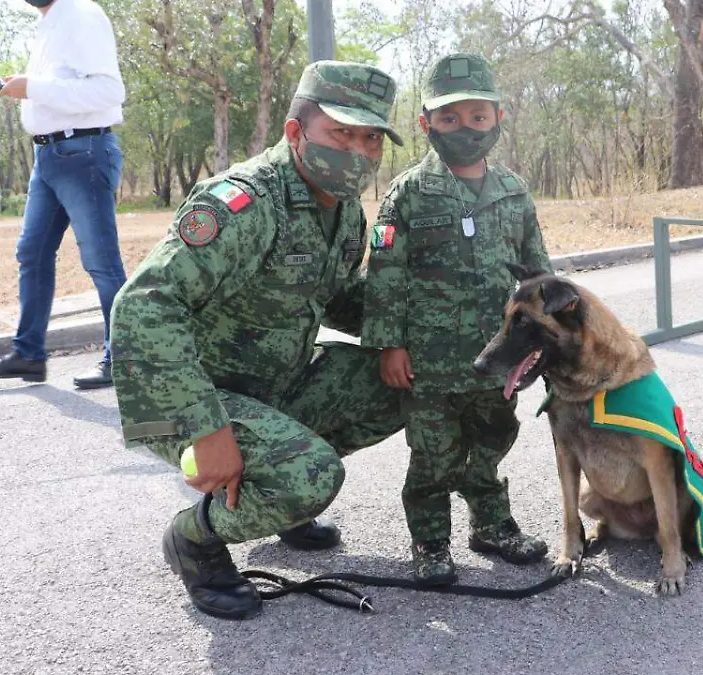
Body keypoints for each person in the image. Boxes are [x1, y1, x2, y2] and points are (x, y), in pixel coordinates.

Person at [109, 61, 406, 621]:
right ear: (296, 133)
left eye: (371, 139)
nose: (360, 152)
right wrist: (207, 427)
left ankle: (277, 495)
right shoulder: (245, 203)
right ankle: (193, 538)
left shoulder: (342, 209)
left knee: (393, 381)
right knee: (312, 475)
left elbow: (337, 298)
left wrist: (410, 327)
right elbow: (144, 305)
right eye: (341, 133)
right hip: (190, 397)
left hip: (270, 384)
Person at [362, 53, 553, 586]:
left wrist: (544, 342)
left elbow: (539, 275)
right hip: (429, 363)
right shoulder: (408, 193)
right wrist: (389, 346)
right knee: (432, 454)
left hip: (497, 360)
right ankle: (430, 543)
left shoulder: (514, 192)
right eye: (449, 118)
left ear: (498, 117)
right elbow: (384, 275)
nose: (464, 129)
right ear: (425, 124)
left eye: (476, 117)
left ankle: (491, 525)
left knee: (494, 437)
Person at [0, 0, 128, 390]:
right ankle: (29, 356)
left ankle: (125, 359)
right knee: (32, 252)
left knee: (101, 262)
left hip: (83, 153)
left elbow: (109, 90)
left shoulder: (81, 14)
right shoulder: (49, 23)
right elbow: (62, 86)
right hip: (48, 157)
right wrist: (28, 85)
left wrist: (33, 87)